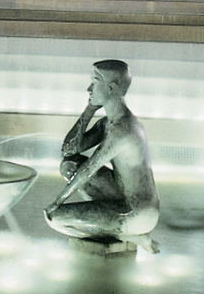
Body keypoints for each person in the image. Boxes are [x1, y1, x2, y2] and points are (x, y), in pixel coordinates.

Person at [44, 60, 160, 252]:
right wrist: (89, 110)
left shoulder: (124, 129)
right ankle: (112, 224)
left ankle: (129, 234)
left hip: (139, 212)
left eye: (95, 82)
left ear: (111, 88)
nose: (89, 88)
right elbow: (69, 150)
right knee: (68, 166)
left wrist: (57, 202)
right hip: (122, 194)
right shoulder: (108, 122)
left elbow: (91, 167)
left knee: (56, 219)